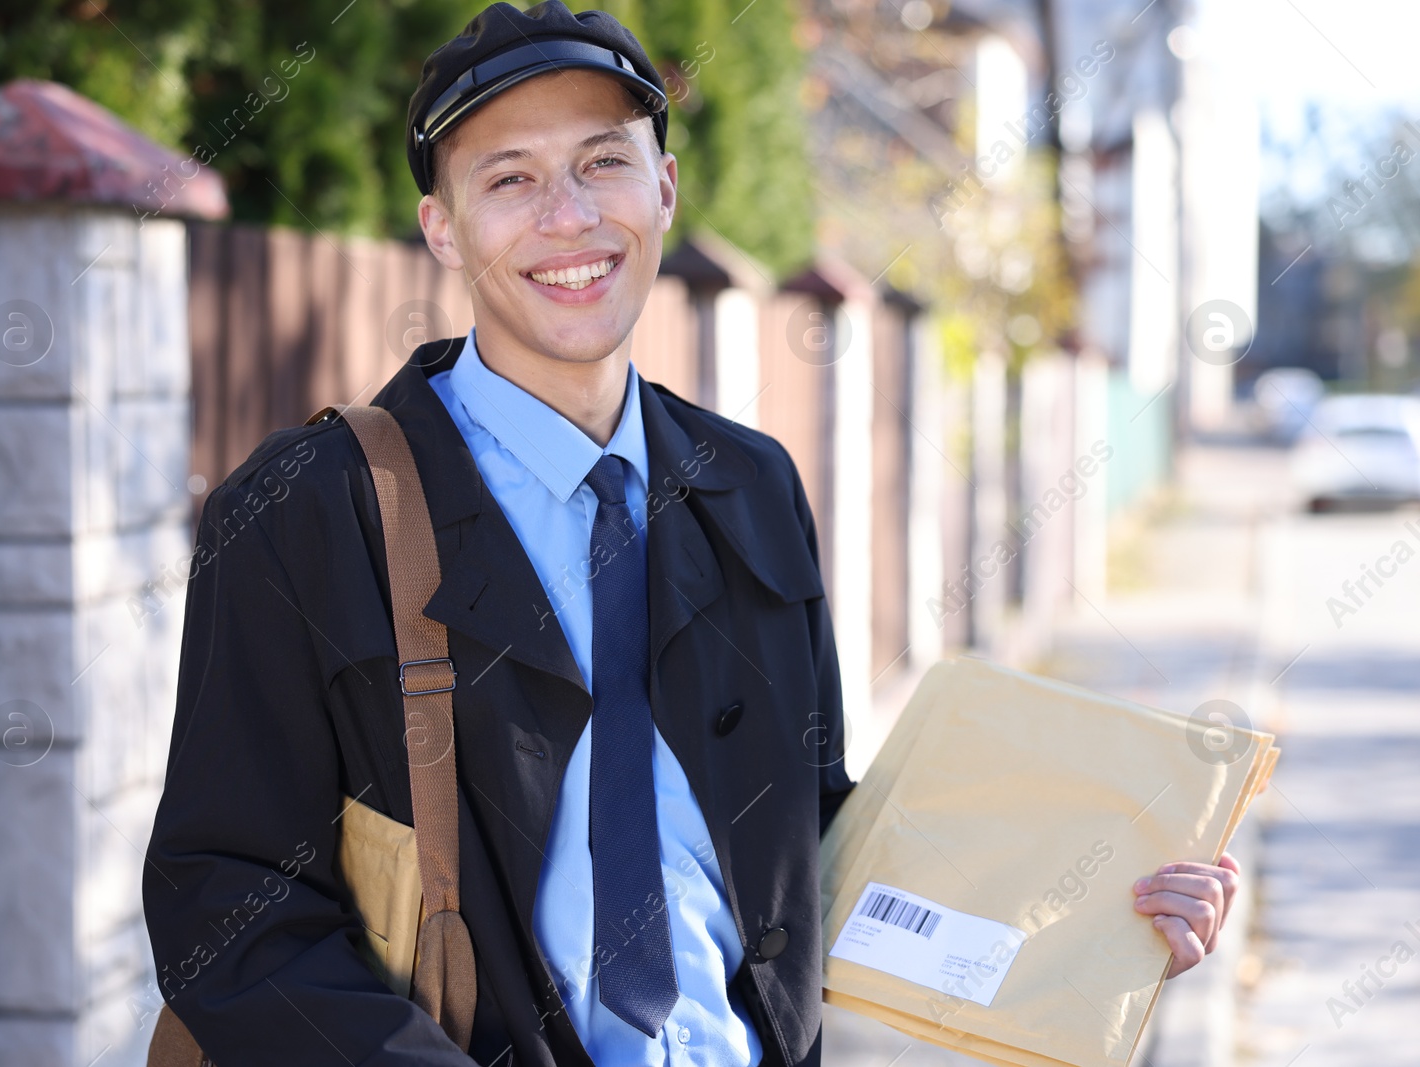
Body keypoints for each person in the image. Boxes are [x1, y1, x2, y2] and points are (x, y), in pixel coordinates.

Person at [142, 3, 1243, 1064]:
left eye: (601, 161)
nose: (567, 215)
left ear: (662, 188)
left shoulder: (750, 484)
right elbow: (227, 905)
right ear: (443, 228)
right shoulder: (304, 509)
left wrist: (1099, 918)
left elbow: (809, 844)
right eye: (508, 179)